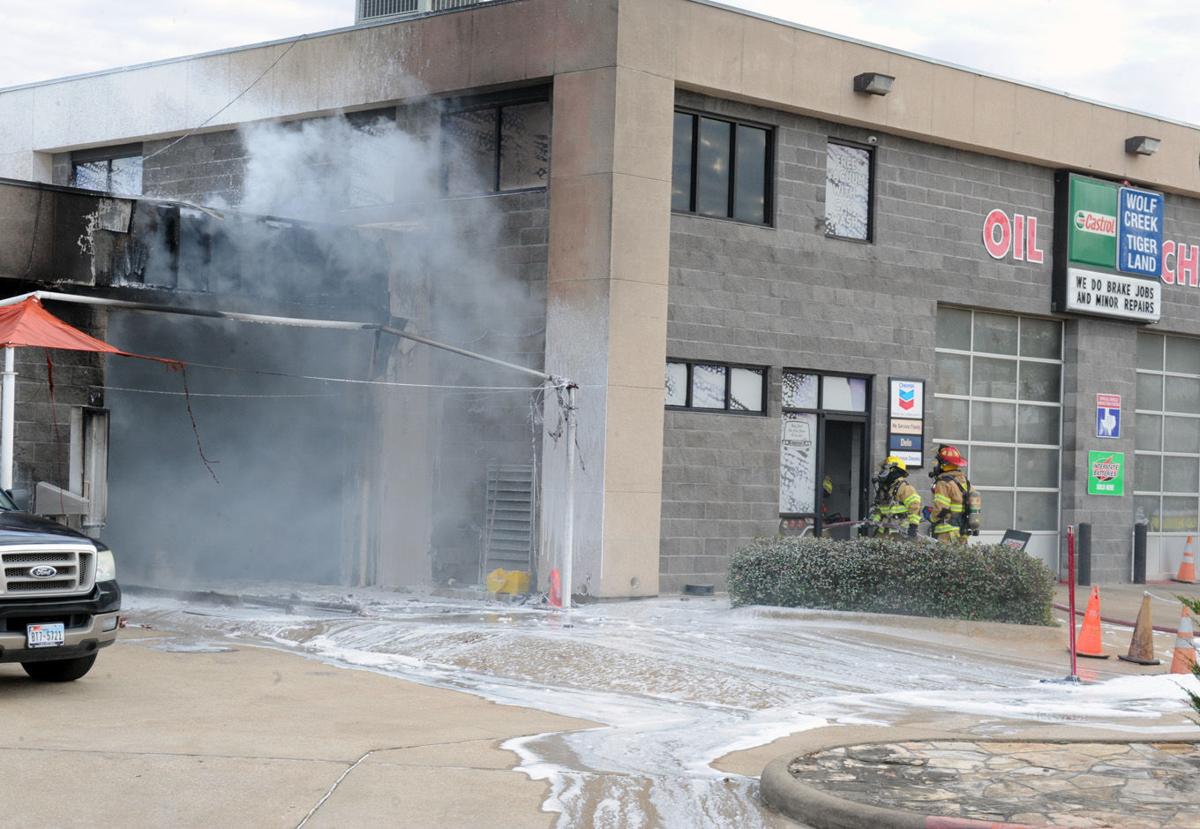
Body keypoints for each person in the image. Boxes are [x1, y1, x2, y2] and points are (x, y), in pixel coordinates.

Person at [929, 444, 975, 544]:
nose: (936, 465)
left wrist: (932, 519)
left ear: (944, 464)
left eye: (938, 463)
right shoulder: (965, 481)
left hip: (947, 532)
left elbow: (940, 508)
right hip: (962, 531)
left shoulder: (943, 483)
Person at [868, 456, 922, 537]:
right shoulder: (884, 489)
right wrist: (873, 520)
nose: (882, 471)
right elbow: (879, 509)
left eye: (885, 468)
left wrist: (913, 527)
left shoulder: (905, 488)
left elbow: (915, 508)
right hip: (883, 531)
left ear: (894, 471)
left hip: (900, 532)